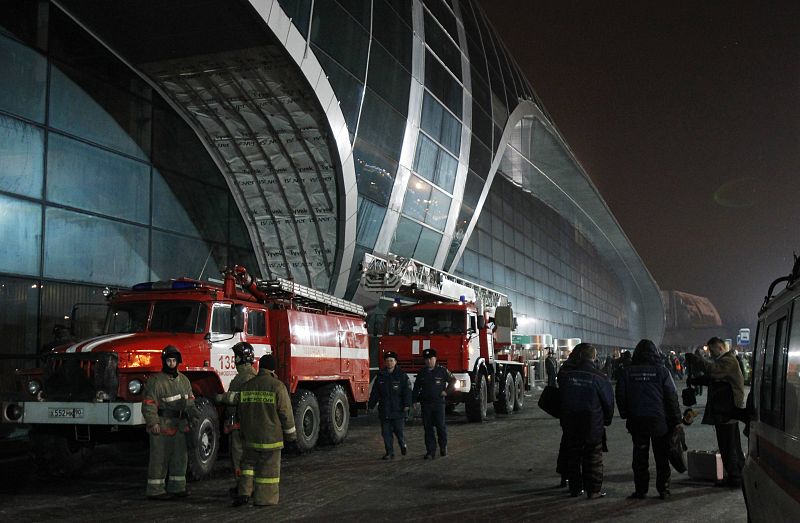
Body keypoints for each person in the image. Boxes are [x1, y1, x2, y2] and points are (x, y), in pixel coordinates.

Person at [616, 339, 682, 500]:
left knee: (639, 457)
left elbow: (620, 395)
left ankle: (641, 490)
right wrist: (676, 420)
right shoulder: (662, 372)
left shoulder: (627, 372)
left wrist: (625, 413)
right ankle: (664, 489)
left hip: (637, 420)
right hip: (659, 421)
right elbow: (671, 397)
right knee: (661, 457)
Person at [233, 353, 296, 507]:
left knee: (247, 465)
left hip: (250, 438)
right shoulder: (277, 386)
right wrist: (291, 435)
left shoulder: (246, 386)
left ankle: (244, 492)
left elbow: (240, 412)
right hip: (270, 439)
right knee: (268, 470)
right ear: (273, 369)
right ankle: (264, 499)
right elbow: (285, 413)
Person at [141, 345, 199, 500]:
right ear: (164, 362)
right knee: (159, 458)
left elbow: (190, 401)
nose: (171, 363)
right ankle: (155, 490)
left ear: (178, 361)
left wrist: (193, 416)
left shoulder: (184, 380)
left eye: (174, 360)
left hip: (179, 425)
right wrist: (153, 422)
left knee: (180, 458)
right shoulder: (156, 381)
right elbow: (149, 403)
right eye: (169, 360)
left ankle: (177, 487)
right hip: (162, 425)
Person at [686, 337, 745, 487]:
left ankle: (735, 477)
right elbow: (713, 378)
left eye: (712, 350)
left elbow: (713, 371)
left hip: (727, 410)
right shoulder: (726, 360)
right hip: (726, 409)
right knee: (731, 444)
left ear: (720, 348)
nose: (710, 354)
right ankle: (738, 473)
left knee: (728, 445)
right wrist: (696, 381)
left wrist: (696, 359)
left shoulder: (728, 361)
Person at [558, 343, 614, 499]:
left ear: (580, 357)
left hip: (571, 423)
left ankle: (575, 489)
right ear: (594, 358)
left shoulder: (567, 375)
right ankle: (593, 491)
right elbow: (608, 403)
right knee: (593, 458)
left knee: (574, 457)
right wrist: (606, 420)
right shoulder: (599, 377)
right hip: (592, 423)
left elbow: (561, 398)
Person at [216, 342, 257, 495]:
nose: (234, 360)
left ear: (241, 359)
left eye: (236, 357)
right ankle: (243, 485)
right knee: (238, 457)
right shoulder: (246, 375)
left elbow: (244, 398)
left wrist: (222, 398)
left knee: (239, 457)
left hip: (240, 425)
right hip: (239, 423)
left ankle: (244, 487)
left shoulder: (245, 377)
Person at [412, 348, 455, 459]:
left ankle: (443, 446)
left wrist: (447, 391)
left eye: (430, 359)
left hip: (438, 404)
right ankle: (430, 451)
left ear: (435, 359)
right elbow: (416, 388)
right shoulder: (422, 373)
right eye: (426, 359)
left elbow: (453, 381)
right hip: (426, 405)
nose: (428, 361)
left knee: (440, 427)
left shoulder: (442, 371)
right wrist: (414, 401)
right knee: (428, 428)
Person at [368, 350, 412, 459]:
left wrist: (407, 404)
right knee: (386, 433)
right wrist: (371, 405)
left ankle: (403, 444)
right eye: (387, 361)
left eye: (391, 360)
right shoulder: (380, 376)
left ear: (396, 362)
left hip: (398, 409)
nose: (389, 363)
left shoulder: (402, 376)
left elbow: (407, 391)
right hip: (385, 410)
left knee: (398, 431)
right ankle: (389, 452)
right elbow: (375, 392)